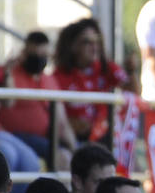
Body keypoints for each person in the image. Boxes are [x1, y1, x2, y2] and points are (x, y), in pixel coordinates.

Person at [52, 18, 132, 147]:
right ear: (72, 46)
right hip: (73, 140)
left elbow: (133, 91)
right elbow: (52, 116)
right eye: (87, 42)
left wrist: (132, 71)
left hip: (106, 137)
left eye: (97, 42)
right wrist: (72, 123)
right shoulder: (58, 76)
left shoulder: (106, 68)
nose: (94, 47)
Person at [0, 30, 68, 169]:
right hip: (15, 135)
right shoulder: (9, 73)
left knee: (72, 154)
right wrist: (7, 74)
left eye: (43, 55)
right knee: (36, 160)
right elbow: (8, 102)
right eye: (34, 55)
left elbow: (62, 120)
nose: (38, 59)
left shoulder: (49, 79)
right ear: (24, 52)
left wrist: (73, 146)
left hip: (46, 138)